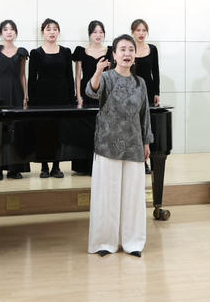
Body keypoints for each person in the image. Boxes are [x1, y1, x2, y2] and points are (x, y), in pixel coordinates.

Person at [86, 34, 152, 257]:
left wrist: (146, 141)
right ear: (114, 54)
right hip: (107, 144)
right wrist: (97, 71)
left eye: (131, 49)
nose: (127, 53)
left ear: (135, 55)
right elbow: (91, 91)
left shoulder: (140, 83)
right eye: (122, 49)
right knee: (108, 195)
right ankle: (105, 242)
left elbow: (145, 115)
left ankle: (133, 242)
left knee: (133, 197)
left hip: (133, 145)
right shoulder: (107, 78)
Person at [28, 18, 75, 178]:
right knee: (43, 131)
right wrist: (31, 100)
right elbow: (32, 79)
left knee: (59, 132)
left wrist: (72, 98)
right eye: (48, 29)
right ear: (43, 32)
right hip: (42, 98)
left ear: (59, 32)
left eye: (55, 29)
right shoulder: (36, 53)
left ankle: (56, 166)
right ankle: (44, 166)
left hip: (62, 97)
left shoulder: (66, 52)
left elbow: (70, 77)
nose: (52, 32)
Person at [0, 19, 30, 180]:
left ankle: (14, 169)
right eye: (5, 29)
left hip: (17, 92)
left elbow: (22, 75)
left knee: (16, 130)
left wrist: (25, 96)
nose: (9, 32)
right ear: (1, 33)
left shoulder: (22, 52)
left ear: (16, 33)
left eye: (12, 29)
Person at [72, 20, 112, 175]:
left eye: (101, 32)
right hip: (86, 94)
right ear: (89, 34)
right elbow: (78, 76)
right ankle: (85, 166)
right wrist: (79, 96)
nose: (98, 35)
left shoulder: (110, 51)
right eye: (95, 32)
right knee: (86, 129)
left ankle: (103, 165)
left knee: (104, 130)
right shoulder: (82, 51)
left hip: (104, 94)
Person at [132, 19, 159, 174]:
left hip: (148, 90)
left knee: (147, 125)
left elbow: (155, 72)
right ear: (133, 32)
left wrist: (157, 92)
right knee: (135, 125)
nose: (141, 33)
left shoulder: (152, 49)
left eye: (144, 30)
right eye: (138, 30)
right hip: (133, 90)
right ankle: (136, 159)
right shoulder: (129, 48)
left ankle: (146, 160)